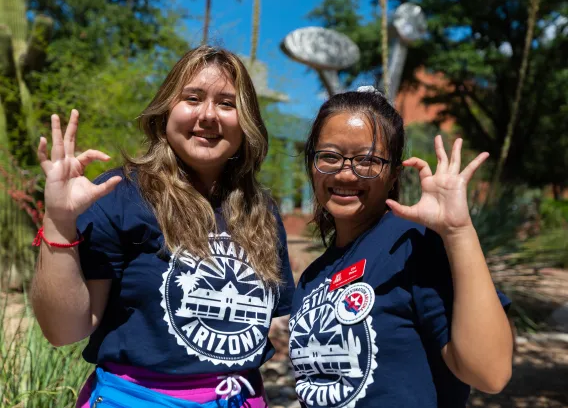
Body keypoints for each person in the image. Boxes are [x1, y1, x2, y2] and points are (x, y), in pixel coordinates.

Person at [31, 46, 295, 408]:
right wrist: (59, 222)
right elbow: (63, 331)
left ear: (247, 122)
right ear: (166, 111)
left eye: (227, 104)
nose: (208, 115)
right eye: (193, 98)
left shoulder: (260, 211)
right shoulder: (120, 196)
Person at [288, 87, 513, 407]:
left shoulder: (415, 245)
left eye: (367, 160)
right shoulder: (312, 277)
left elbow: (489, 373)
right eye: (329, 156)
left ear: (394, 172)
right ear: (312, 165)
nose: (345, 173)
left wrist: (458, 231)